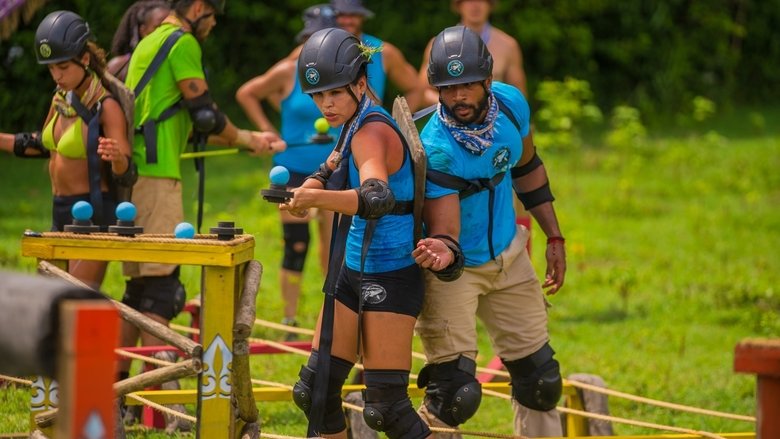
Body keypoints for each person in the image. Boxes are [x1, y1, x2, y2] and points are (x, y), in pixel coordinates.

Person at [115, 0, 285, 417]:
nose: (213, 23)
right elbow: (206, 114)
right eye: (212, 14)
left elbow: (178, 118)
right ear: (196, 7)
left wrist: (244, 139)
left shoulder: (151, 40)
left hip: (138, 174)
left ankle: (120, 392)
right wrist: (248, 138)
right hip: (157, 177)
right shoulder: (182, 41)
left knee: (138, 290)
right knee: (161, 289)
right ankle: (148, 392)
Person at [280, 27, 443, 439]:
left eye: (334, 93)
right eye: (318, 96)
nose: (325, 104)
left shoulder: (370, 130)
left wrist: (315, 202)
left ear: (360, 83)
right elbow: (331, 163)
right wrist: (310, 187)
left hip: (389, 273)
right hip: (352, 269)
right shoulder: (353, 121)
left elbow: (375, 197)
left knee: (387, 409)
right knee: (315, 388)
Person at [412, 26, 566, 438]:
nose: (458, 96)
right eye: (448, 88)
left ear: (487, 80)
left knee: (540, 380)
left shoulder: (512, 106)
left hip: (509, 255)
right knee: (453, 395)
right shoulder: (437, 147)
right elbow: (446, 231)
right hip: (454, 269)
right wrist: (442, 254)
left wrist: (554, 237)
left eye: (467, 86)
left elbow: (528, 169)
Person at [0, 10, 134, 290]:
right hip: (60, 211)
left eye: (62, 67)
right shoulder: (61, 99)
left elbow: (126, 173)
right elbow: (38, 144)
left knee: (72, 301)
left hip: (92, 214)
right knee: (51, 303)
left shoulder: (105, 106)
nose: (56, 76)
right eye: (50, 69)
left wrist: (118, 159)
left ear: (84, 60)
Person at [235, 4, 338, 339]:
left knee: (334, 245)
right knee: (296, 244)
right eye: (312, 37)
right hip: (292, 169)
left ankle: (333, 314)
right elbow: (246, 93)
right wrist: (268, 131)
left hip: (334, 168)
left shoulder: (343, 74)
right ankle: (291, 322)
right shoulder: (288, 71)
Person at [418, 0, 527, 106]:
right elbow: (422, 92)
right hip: (449, 120)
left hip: (495, 120)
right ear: (458, 5)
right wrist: (455, 107)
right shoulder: (438, 45)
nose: (475, 5)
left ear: (490, 4)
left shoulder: (508, 45)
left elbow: (518, 96)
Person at [330, 0, 426, 110]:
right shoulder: (315, 49)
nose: (347, 21)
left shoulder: (382, 51)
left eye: (353, 15)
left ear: (363, 16)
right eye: (341, 15)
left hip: (370, 126)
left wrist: (395, 123)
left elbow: (416, 89)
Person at [107, 0, 171, 81]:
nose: (167, 32)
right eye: (158, 27)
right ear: (143, 31)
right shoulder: (117, 67)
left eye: (171, 26)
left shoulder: (180, 63)